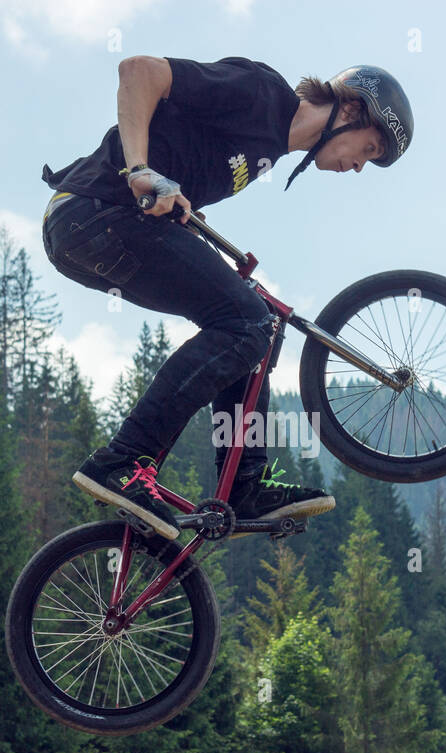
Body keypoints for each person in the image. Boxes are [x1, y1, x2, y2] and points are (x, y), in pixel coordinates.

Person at [41, 56, 413, 540]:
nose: (360, 165)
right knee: (248, 321)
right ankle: (122, 461)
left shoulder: (267, 150)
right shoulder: (261, 92)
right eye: (369, 147)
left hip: (98, 231)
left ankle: (243, 484)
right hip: (93, 213)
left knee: (260, 322)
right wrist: (139, 171)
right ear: (348, 111)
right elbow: (138, 72)